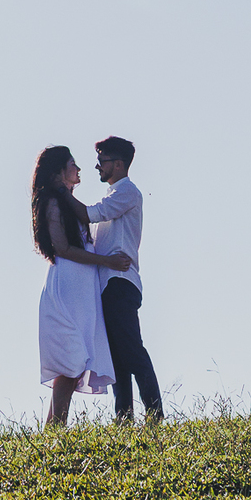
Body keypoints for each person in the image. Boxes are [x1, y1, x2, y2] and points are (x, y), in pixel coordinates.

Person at [32, 145, 133, 426]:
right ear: (59, 172)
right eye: (72, 164)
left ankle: (55, 427)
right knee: (71, 359)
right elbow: (62, 248)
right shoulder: (53, 202)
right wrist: (106, 261)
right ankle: (55, 426)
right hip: (68, 287)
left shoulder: (67, 204)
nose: (78, 169)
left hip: (82, 290)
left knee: (77, 360)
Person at [72, 135, 163, 424]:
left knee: (131, 350)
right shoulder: (115, 194)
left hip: (120, 282)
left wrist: (61, 193)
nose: (97, 167)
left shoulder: (126, 192)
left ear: (119, 164)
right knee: (116, 357)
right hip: (108, 284)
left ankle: (155, 414)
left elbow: (90, 214)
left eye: (102, 161)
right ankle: (124, 420)